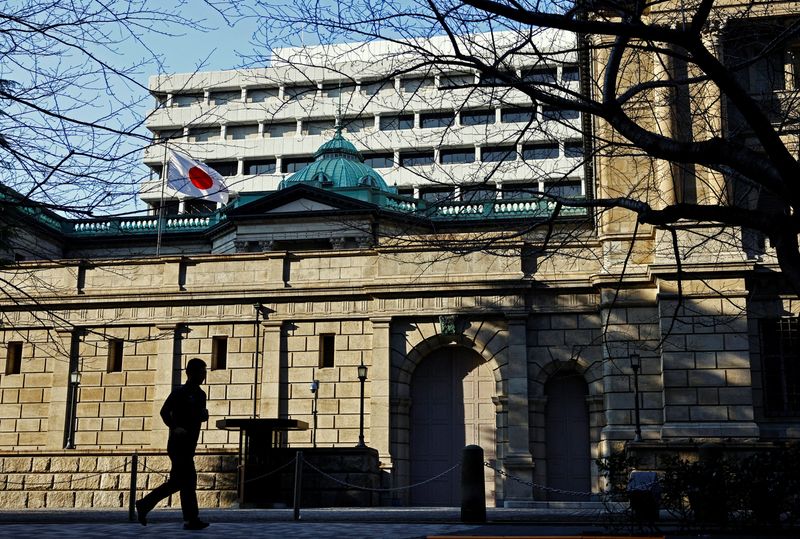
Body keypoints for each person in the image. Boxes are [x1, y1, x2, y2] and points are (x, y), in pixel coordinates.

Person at [136, 357, 210, 530]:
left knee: (180, 482)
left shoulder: (201, 395)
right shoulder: (179, 393)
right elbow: (164, 412)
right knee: (188, 481)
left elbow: (198, 416)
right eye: (201, 371)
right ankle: (191, 519)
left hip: (190, 444)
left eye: (204, 371)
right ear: (190, 373)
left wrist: (204, 416)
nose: (203, 375)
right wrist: (174, 427)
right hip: (178, 445)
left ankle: (145, 504)